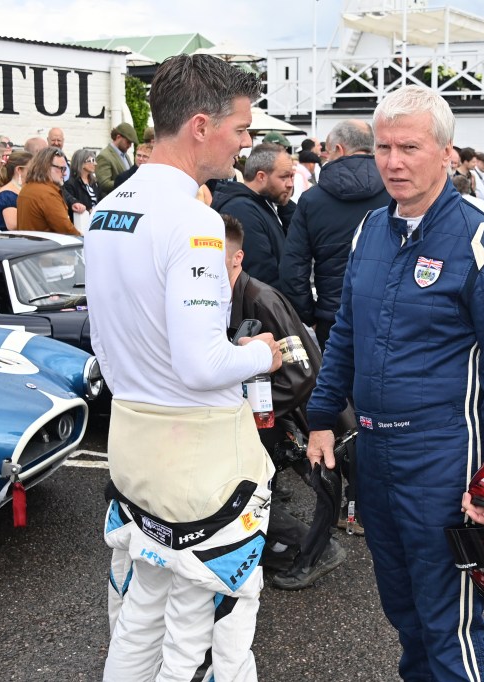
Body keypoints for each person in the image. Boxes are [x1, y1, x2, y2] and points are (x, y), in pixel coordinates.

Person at [306, 85, 484, 682]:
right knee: (402, 610)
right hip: (376, 454)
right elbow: (347, 333)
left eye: (410, 147)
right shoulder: (370, 233)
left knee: (449, 622)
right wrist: (323, 416)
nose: (394, 162)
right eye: (383, 147)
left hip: (443, 459)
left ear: (447, 153)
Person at [88, 53, 281, 682]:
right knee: (214, 631)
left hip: (135, 448)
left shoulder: (106, 210)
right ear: (201, 126)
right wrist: (265, 353)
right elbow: (202, 365)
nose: (246, 143)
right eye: (242, 129)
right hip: (201, 460)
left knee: (142, 611)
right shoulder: (196, 222)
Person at [223, 215, 347, 590]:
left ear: (237, 257)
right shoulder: (214, 300)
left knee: (317, 489)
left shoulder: (261, 299)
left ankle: (314, 554)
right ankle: (282, 547)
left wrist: (241, 408)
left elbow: (303, 374)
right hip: (266, 418)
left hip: (300, 418)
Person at [279, 119, 390, 350]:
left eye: (327, 153)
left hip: (333, 317)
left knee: (335, 384)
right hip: (389, 314)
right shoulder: (396, 194)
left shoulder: (311, 200)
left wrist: (311, 316)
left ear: (339, 149)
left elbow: (293, 269)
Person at [210, 143, 295, 287]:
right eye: (284, 177)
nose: (290, 184)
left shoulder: (262, 202)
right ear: (261, 176)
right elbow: (262, 275)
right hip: (265, 306)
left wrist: (286, 206)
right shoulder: (241, 210)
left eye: (292, 176)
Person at [16, 148, 79, 235]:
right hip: (45, 246)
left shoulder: (27, 188)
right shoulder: (48, 194)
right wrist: (83, 240)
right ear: (46, 167)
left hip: (30, 245)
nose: (64, 173)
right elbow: (66, 229)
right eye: (62, 169)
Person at [0, 150, 31, 230]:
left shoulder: (24, 188)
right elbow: (13, 225)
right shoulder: (7, 195)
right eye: (32, 168)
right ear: (19, 170)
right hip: (13, 241)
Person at [96, 123, 138, 194]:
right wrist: (126, 181)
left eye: (131, 143)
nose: (130, 145)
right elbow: (104, 184)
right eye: (128, 142)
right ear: (118, 137)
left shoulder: (125, 155)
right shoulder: (104, 156)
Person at [62, 148, 99, 221]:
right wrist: (89, 211)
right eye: (92, 160)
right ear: (81, 163)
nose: (95, 163)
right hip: (82, 222)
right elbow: (73, 207)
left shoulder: (95, 182)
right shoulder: (70, 184)